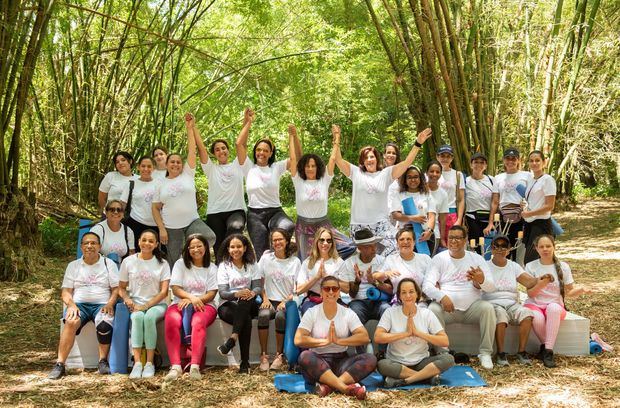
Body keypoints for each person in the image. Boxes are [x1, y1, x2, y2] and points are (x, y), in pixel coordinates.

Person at [333, 126, 433, 256]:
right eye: (366, 157)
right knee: (363, 257)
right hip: (359, 225)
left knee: (393, 251)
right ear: (363, 161)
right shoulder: (355, 172)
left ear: (377, 159)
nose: (369, 160)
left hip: (381, 224)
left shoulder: (385, 174)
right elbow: (338, 160)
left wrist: (418, 143)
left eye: (372, 157)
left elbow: (407, 162)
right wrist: (336, 138)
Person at [423, 225, 497, 370]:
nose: (453, 241)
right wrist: (442, 297)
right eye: (451, 238)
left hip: (472, 309)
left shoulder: (476, 259)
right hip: (447, 310)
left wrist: (481, 280)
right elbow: (427, 286)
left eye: (457, 238)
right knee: (432, 309)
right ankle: (442, 352)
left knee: (488, 308)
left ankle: (485, 353)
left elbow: (491, 287)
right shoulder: (439, 259)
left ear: (465, 240)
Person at [48, 232, 119, 380]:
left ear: (99, 246)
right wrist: (72, 305)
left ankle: (102, 361)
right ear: (81, 247)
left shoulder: (108, 264)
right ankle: (60, 364)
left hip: (101, 304)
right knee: (71, 321)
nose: (89, 246)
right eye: (86, 243)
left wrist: (110, 303)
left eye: (93, 243)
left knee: (105, 324)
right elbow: (66, 292)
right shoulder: (73, 266)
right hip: (79, 304)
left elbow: (116, 289)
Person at [295, 276, 377, 400]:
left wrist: (339, 341)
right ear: (321, 292)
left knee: (371, 359)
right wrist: (324, 342)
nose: (331, 292)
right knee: (304, 356)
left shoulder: (347, 313)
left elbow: (364, 337)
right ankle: (345, 388)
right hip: (318, 363)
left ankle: (329, 386)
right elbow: (298, 339)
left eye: (335, 289)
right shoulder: (312, 312)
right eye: (327, 289)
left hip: (341, 363)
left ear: (339, 292)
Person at [152, 113, 216, 267]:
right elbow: (155, 208)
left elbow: (192, 151)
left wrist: (190, 128)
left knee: (209, 237)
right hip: (171, 227)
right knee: (175, 262)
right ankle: (177, 287)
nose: (176, 164)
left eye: (178, 162)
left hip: (192, 222)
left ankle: (194, 259)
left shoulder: (187, 174)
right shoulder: (160, 183)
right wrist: (162, 229)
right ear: (167, 164)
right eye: (172, 162)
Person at [236, 110, 297, 260]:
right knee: (262, 253)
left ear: (271, 153)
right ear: (255, 152)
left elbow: (296, 158)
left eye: (265, 150)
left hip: (275, 211)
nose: (261, 153)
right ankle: (263, 280)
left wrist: (293, 136)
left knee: (287, 226)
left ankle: (285, 255)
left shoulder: (276, 167)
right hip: (255, 215)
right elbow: (239, 144)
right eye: (258, 150)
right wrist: (248, 122)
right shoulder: (248, 166)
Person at [289, 124, 355, 260]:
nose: (310, 168)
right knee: (306, 261)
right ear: (303, 167)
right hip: (304, 228)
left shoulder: (324, 179)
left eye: (313, 166)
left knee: (349, 245)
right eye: (307, 166)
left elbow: (332, 159)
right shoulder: (298, 180)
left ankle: (328, 262)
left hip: (323, 226)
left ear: (318, 167)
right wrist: (291, 136)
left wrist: (337, 137)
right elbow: (293, 159)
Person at [192, 110, 251, 258]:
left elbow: (242, 143)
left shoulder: (238, 164)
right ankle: (221, 274)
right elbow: (201, 149)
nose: (221, 151)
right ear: (214, 154)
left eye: (223, 148)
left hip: (236, 210)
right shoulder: (211, 169)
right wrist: (193, 127)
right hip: (215, 213)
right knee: (218, 247)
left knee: (235, 232)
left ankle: (236, 267)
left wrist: (246, 120)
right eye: (217, 150)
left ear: (228, 151)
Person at [524, 234, 589, 368]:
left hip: (555, 306)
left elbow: (569, 292)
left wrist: (582, 289)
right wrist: (541, 284)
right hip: (534, 304)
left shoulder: (563, 266)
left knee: (552, 308)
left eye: (548, 246)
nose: (545, 249)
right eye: (541, 246)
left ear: (554, 247)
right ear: (536, 249)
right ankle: (547, 348)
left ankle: (547, 352)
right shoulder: (531, 266)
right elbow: (530, 293)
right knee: (536, 317)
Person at [375, 278, 455, 387]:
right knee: (382, 365)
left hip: (421, 362)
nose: (408, 296)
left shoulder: (427, 314)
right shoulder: (390, 312)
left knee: (448, 359)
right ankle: (425, 377)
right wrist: (406, 334)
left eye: (411, 292)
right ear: (399, 296)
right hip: (397, 362)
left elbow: (444, 341)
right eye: (404, 292)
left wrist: (417, 333)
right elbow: (378, 337)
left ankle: (405, 380)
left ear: (417, 294)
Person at [164, 234, 218, 381]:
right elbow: (175, 289)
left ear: (206, 247)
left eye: (199, 246)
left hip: (205, 305)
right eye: (192, 247)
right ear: (187, 250)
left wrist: (194, 300)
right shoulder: (180, 264)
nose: (196, 249)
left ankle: (195, 366)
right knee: (171, 320)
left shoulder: (212, 267)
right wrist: (191, 298)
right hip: (180, 303)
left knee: (198, 322)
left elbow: (212, 293)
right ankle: (175, 366)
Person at [118, 230, 171, 379]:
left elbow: (164, 292)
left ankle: (149, 363)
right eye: (144, 240)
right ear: (139, 242)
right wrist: (128, 300)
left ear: (156, 244)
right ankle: (137, 363)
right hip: (135, 304)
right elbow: (121, 287)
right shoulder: (128, 261)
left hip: (157, 304)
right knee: (137, 318)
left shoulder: (162, 263)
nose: (147, 243)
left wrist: (146, 305)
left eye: (151, 241)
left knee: (148, 318)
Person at [481, 235, 537, 366]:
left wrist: (542, 279)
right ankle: (501, 353)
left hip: (512, 303)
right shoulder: (485, 266)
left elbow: (528, 282)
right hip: (492, 302)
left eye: (504, 246)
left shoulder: (514, 266)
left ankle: (521, 352)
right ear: (492, 249)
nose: (500, 249)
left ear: (509, 249)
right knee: (500, 315)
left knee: (527, 314)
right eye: (496, 246)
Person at [216, 233, 261, 374]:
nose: (236, 250)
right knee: (245, 319)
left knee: (245, 299)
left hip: (250, 302)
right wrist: (236, 294)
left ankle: (232, 339)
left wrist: (252, 293)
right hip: (228, 305)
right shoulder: (224, 266)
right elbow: (223, 293)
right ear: (228, 249)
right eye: (232, 247)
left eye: (239, 246)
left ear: (245, 247)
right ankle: (245, 363)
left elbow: (258, 287)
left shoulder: (252, 264)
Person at [257, 228, 301, 371]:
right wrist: (265, 298)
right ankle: (263, 355)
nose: (277, 242)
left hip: (286, 300)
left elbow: (297, 287)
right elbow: (259, 281)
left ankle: (279, 355)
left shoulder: (295, 262)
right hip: (268, 299)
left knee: (280, 317)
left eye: (280, 239)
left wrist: (286, 301)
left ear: (287, 241)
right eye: (274, 240)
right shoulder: (266, 259)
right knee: (263, 315)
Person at [339, 229, 390, 343]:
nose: (374, 249)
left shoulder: (382, 261)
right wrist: (357, 281)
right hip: (359, 301)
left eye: (374, 245)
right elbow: (352, 294)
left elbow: (390, 289)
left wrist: (374, 282)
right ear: (360, 248)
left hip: (379, 300)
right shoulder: (350, 263)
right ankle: (359, 350)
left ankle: (385, 350)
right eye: (368, 247)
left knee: (387, 310)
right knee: (354, 313)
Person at [373, 227, 432, 300]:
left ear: (414, 242)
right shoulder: (391, 259)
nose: (405, 242)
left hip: (421, 300)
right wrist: (385, 274)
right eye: (401, 239)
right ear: (397, 244)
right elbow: (374, 275)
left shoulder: (425, 259)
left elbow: (434, 280)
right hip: (399, 301)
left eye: (408, 239)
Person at [493, 148, 532, 259]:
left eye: (513, 158)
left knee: (519, 244)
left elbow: (532, 195)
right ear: (503, 160)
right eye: (507, 158)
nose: (510, 161)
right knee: (504, 243)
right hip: (504, 216)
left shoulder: (527, 175)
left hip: (522, 214)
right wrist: (493, 219)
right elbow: (496, 200)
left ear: (518, 160)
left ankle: (518, 269)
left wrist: (526, 206)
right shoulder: (498, 178)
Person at [296, 227, 346, 315]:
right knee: (309, 313)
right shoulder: (307, 262)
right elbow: (298, 290)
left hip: (334, 299)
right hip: (313, 300)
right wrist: (316, 277)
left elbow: (347, 289)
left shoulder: (339, 262)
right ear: (316, 242)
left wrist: (327, 278)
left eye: (329, 240)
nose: (325, 243)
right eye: (322, 240)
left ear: (332, 243)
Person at [389, 165, 436, 252]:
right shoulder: (399, 195)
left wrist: (429, 231)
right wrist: (412, 218)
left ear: (421, 178)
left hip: (423, 235)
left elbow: (432, 215)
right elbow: (395, 215)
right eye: (409, 177)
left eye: (416, 177)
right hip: (405, 236)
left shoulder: (427, 195)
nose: (413, 180)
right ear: (405, 179)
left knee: (424, 261)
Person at [522, 150, 556, 264]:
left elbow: (549, 206)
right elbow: (534, 201)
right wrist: (525, 206)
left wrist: (529, 213)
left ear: (544, 162)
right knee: (533, 261)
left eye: (537, 160)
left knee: (531, 260)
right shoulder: (531, 180)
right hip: (529, 223)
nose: (534, 163)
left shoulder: (548, 180)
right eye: (531, 161)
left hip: (541, 224)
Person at [120, 156, 159, 249]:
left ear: (154, 168)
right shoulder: (131, 184)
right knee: (135, 255)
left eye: (149, 166)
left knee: (154, 256)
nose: (146, 169)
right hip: (135, 223)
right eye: (143, 166)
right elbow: (122, 205)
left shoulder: (159, 184)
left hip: (155, 225)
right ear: (138, 167)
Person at [465, 152, 498, 255]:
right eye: (476, 162)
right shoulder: (465, 181)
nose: (478, 165)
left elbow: (495, 201)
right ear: (471, 164)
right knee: (474, 248)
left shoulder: (492, 180)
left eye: (482, 162)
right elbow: (460, 201)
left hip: (489, 219)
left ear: (486, 165)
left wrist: (491, 223)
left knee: (489, 249)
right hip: (472, 219)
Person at [436, 145, 465, 237]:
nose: (445, 159)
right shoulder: (430, 173)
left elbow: (461, 199)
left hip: (451, 213)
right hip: (435, 213)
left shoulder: (457, 174)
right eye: (442, 156)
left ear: (452, 158)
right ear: (437, 157)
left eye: (448, 156)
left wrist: (459, 219)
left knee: (452, 242)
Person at [425, 161, 449, 253]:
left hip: (434, 233)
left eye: (437, 172)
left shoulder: (443, 194)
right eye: (431, 171)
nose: (434, 174)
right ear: (427, 172)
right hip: (416, 231)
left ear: (440, 174)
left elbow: (442, 219)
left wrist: (442, 239)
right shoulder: (419, 189)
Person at [383, 142, 402, 217]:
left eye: (394, 153)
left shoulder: (401, 174)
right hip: (381, 215)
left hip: (397, 215)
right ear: (384, 155)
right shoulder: (379, 172)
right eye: (388, 152)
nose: (391, 155)